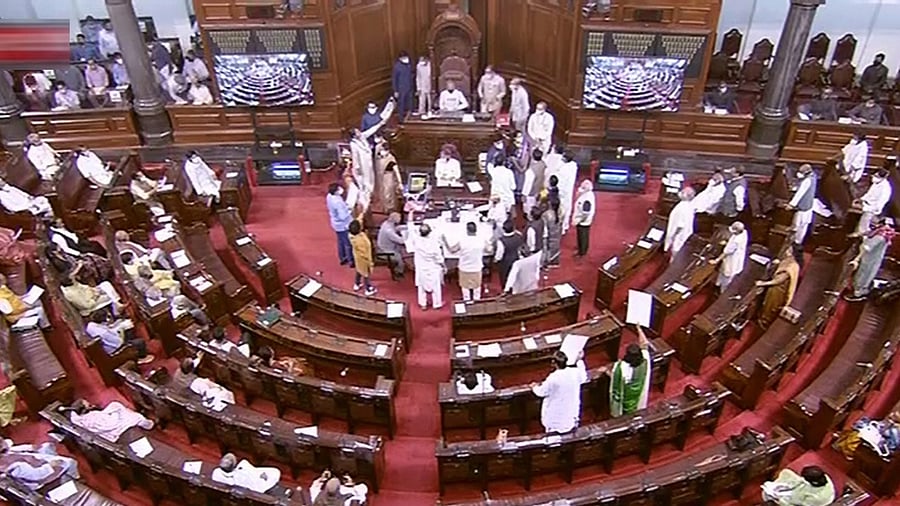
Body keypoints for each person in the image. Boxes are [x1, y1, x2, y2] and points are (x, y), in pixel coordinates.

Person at [531, 350, 588, 433]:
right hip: (570, 416)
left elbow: (541, 392)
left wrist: (534, 387)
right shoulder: (574, 373)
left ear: (554, 363)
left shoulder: (553, 378)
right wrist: (579, 360)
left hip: (554, 418)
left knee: (553, 440)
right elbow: (583, 376)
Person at [350, 99, 394, 202]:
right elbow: (355, 156)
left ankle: (371, 194)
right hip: (362, 163)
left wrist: (380, 124)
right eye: (357, 132)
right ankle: (367, 197)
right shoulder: (354, 144)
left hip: (369, 158)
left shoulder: (363, 136)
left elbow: (372, 130)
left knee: (371, 177)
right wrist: (357, 167)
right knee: (365, 180)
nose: (359, 132)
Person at [0, 438, 79, 490]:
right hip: (41, 477)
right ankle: (75, 477)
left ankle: (53, 457)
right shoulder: (13, 468)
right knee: (70, 462)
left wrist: (30, 447)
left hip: (34, 460)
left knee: (47, 446)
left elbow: (13, 450)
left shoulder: (5, 453)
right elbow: (37, 475)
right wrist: (50, 466)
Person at [607, 325, 651, 416]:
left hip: (626, 397)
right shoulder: (645, 359)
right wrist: (639, 328)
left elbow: (614, 378)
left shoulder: (622, 367)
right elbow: (645, 343)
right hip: (638, 394)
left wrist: (605, 371)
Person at [847, 218, 896, 301]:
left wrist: (856, 259)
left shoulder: (880, 236)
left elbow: (866, 248)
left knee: (863, 275)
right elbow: (868, 233)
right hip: (873, 258)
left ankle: (858, 293)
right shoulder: (884, 232)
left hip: (869, 259)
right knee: (866, 274)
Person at [65, 399, 154, 442]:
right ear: (84, 408)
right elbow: (111, 424)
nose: (89, 403)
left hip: (99, 425)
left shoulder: (75, 417)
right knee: (137, 417)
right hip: (110, 431)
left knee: (114, 404)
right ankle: (149, 425)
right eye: (87, 404)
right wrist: (117, 413)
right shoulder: (94, 416)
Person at [85, 311, 153, 364]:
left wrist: (118, 326)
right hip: (114, 350)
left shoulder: (90, 325)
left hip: (111, 342)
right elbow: (119, 342)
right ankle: (141, 357)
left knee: (128, 328)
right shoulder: (103, 333)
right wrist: (121, 329)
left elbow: (109, 330)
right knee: (140, 342)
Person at [756, 248, 801, 328]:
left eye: (787, 250)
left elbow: (778, 280)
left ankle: (765, 321)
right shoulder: (791, 260)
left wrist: (762, 283)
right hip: (777, 288)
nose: (785, 251)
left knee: (770, 305)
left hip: (778, 290)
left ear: (790, 252)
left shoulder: (790, 266)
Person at [449, 222, 488, 301]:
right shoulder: (481, 240)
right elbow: (489, 249)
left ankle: (467, 301)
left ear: (467, 230)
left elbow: (452, 250)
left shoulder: (462, 241)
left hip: (464, 268)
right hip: (476, 267)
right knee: (477, 286)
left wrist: (445, 241)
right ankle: (476, 300)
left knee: (465, 286)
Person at [761, 465, 836, 506]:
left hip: (807, 502)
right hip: (804, 489)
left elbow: (801, 504)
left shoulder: (817, 498)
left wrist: (780, 500)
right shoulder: (821, 476)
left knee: (768, 495)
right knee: (786, 473)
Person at [212, 452, 283, 494]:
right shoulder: (239, 475)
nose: (226, 461)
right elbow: (253, 483)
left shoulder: (216, 473)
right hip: (257, 491)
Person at [412, 223, 445, 310]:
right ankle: (437, 304)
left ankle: (423, 304)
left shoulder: (416, 240)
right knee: (436, 287)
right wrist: (444, 266)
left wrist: (411, 215)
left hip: (421, 267)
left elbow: (411, 228)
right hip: (432, 268)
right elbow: (439, 259)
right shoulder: (434, 244)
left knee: (421, 287)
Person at [710, 221, 748, 291]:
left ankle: (722, 291)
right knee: (724, 273)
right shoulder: (744, 232)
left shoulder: (736, 240)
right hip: (737, 256)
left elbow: (726, 252)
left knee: (727, 276)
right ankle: (718, 285)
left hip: (732, 260)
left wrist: (716, 260)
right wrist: (727, 243)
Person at [787, 164, 818, 247]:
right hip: (807, 206)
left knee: (800, 225)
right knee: (800, 223)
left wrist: (791, 204)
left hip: (804, 207)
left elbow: (800, 193)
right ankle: (795, 236)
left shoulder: (807, 180)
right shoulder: (813, 176)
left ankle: (796, 242)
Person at [854, 169, 893, 235]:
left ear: (883, 178)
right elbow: (869, 194)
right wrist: (860, 199)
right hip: (866, 204)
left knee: (867, 214)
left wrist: (864, 208)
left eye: (876, 176)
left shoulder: (885, 189)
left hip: (873, 209)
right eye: (874, 176)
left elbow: (878, 206)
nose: (874, 178)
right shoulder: (875, 184)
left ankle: (861, 233)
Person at [326, 183, 354, 266]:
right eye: (339, 188)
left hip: (336, 223)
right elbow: (343, 216)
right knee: (347, 243)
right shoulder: (337, 202)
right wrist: (349, 210)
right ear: (336, 191)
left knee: (341, 241)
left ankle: (342, 257)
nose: (341, 189)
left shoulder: (329, 196)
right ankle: (350, 261)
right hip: (343, 225)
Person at [664, 187, 696, 256]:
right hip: (682, 233)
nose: (680, 193)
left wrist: (673, 236)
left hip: (679, 234)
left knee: (675, 252)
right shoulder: (687, 205)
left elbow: (680, 225)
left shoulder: (683, 207)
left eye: (683, 192)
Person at [348, 220, 376, 296]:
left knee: (359, 270)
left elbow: (358, 220)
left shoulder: (351, 235)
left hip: (357, 257)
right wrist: (369, 261)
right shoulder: (360, 241)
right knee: (366, 274)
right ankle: (368, 288)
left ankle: (357, 284)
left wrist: (363, 211)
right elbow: (364, 253)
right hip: (364, 259)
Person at [494, 220, 524, 288]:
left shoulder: (501, 241)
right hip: (517, 259)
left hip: (506, 263)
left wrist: (495, 260)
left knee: (506, 279)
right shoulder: (518, 236)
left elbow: (499, 255)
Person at [377, 212, 406, 278]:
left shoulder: (386, 223)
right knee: (399, 259)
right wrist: (406, 236)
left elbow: (395, 228)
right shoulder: (389, 231)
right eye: (399, 218)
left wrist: (406, 227)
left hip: (386, 245)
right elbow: (401, 241)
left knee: (400, 249)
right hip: (386, 250)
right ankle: (399, 272)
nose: (400, 219)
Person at [572, 180, 595, 257]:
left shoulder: (587, 199)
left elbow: (585, 213)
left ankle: (582, 251)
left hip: (583, 221)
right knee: (580, 235)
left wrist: (578, 220)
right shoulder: (586, 195)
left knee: (583, 236)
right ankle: (580, 248)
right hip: (582, 220)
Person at [557, 151, 578, 235]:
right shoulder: (573, 166)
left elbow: (561, 183)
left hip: (563, 192)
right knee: (567, 209)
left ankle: (561, 228)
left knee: (561, 210)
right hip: (569, 191)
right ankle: (565, 225)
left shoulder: (563, 170)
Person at [522, 149, 546, 216]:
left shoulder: (531, 170)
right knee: (536, 204)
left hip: (531, 192)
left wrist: (524, 194)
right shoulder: (543, 164)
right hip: (539, 188)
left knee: (529, 209)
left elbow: (528, 184)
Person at [391, 50, 414, 120]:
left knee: (410, 102)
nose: (405, 59)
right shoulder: (397, 67)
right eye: (403, 58)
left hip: (410, 86)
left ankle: (409, 116)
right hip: (401, 88)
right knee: (401, 104)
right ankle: (401, 118)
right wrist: (395, 91)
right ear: (400, 58)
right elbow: (394, 79)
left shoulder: (409, 64)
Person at [542, 195, 562, 267]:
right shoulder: (560, 212)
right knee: (556, 245)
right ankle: (555, 261)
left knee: (547, 247)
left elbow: (543, 225)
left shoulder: (547, 214)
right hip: (557, 233)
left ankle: (548, 261)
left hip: (549, 233)